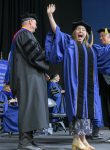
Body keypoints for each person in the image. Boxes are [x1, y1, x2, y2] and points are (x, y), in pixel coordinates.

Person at [45, 4, 110, 150]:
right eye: (78, 29)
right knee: (77, 110)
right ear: (74, 32)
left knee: (86, 111)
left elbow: (104, 55)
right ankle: (76, 139)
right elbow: (57, 32)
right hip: (75, 86)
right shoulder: (69, 43)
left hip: (88, 87)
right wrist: (50, 16)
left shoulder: (90, 48)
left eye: (84, 30)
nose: (81, 31)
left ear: (87, 34)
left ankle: (82, 139)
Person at [8, 12, 50, 150]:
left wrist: (42, 72)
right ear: (30, 22)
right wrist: (48, 56)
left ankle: (29, 140)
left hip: (29, 76)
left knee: (31, 108)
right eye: (35, 24)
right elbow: (35, 55)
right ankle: (24, 143)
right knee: (28, 108)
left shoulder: (20, 35)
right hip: (27, 78)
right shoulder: (24, 34)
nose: (36, 27)